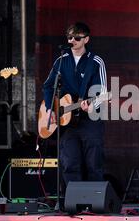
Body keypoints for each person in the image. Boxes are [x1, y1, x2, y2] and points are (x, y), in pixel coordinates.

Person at [42, 22, 108, 197]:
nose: (72, 40)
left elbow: (103, 93)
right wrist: (50, 109)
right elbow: (48, 86)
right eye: (69, 37)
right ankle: (74, 203)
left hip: (90, 121)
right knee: (70, 163)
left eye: (77, 38)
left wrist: (93, 105)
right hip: (68, 123)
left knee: (93, 163)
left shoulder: (95, 62)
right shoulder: (61, 60)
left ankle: (95, 203)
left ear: (86, 39)